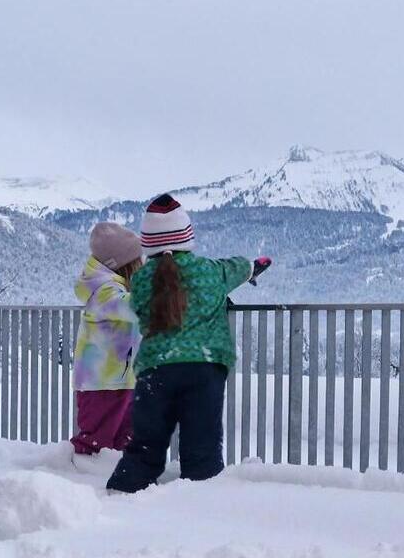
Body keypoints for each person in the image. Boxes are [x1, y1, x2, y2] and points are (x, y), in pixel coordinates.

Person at [107, 193, 269, 493]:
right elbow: (242, 266)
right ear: (187, 236)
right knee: (202, 453)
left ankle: (116, 504)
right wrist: (255, 267)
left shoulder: (142, 280)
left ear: (149, 241)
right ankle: (201, 516)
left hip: (155, 371)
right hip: (204, 370)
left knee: (144, 450)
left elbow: (136, 307)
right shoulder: (212, 271)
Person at [70, 222, 143, 455]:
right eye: (137, 261)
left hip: (120, 379)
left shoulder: (111, 288)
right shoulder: (104, 291)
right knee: (95, 444)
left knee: (125, 442)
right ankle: (81, 484)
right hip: (101, 383)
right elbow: (132, 308)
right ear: (124, 266)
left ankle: (120, 486)